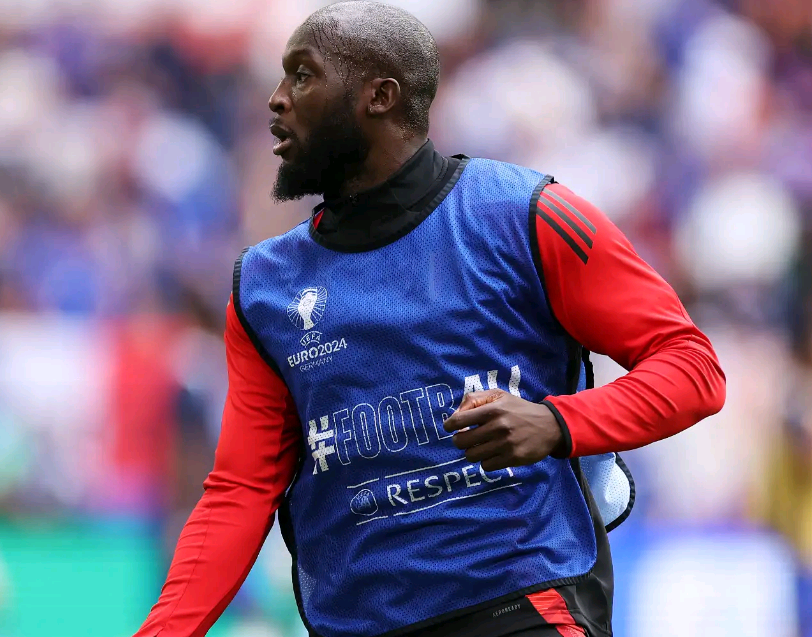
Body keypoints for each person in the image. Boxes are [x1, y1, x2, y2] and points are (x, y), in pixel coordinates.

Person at [132, 2, 726, 636]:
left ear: (378, 96)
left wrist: (557, 423)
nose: (277, 99)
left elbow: (693, 369)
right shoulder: (263, 288)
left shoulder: (526, 215)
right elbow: (240, 492)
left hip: (522, 608)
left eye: (302, 75)